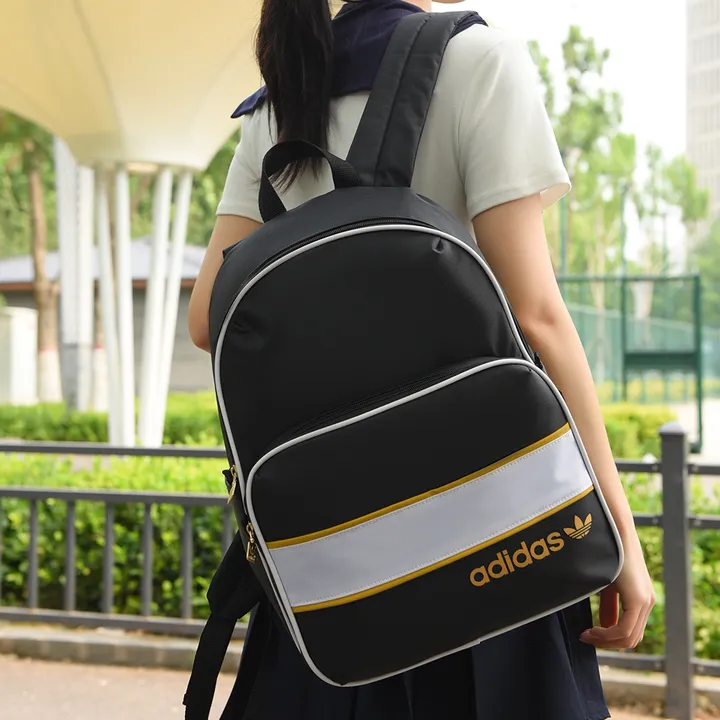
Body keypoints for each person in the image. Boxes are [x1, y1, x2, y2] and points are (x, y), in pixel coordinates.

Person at [188, 0, 655, 717]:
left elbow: (206, 319)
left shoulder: (283, 93)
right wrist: (617, 533)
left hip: (336, 566)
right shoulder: (478, 61)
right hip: (496, 541)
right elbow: (537, 316)